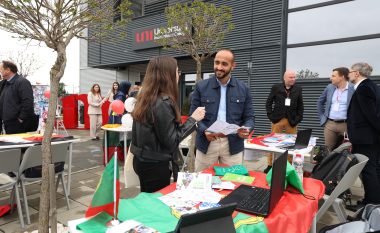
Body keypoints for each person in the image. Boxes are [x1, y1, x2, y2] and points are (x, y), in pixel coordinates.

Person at [130, 56, 205, 193]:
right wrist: (193, 119)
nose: (178, 75)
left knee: (148, 199)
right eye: (177, 71)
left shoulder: (145, 98)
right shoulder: (163, 102)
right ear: (168, 75)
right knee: (156, 205)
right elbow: (171, 141)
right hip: (155, 166)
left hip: (142, 161)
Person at [189, 49, 254, 172]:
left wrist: (247, 129)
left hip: (233, 144)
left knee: (233, 183)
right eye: (216, 62)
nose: (219, 67)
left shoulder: (244, 89)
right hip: (207, 143)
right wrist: (204, 131)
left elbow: (250, 117)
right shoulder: (201, 87)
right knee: (202, 183)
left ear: (233, 66)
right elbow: (193, 117)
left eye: (224, 64)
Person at [347, 62, 380, 205]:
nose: (348, 74)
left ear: (357, 73)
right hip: (371, 137)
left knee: (368, 170)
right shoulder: (372, 86)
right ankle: (375, 199)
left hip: (366, 139)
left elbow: (371, 115)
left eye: (350, 71)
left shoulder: (363, 89)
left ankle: (371, 202)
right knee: (374, 168)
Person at [264, 69, 303, 172]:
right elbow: (268, 102)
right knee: (273, 143)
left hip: (292, 121)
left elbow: (300, 105)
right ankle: (270, 164)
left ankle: (289, 165)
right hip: (277, 120)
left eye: (294, 77)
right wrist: (271, 116)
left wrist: (298, 118)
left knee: (292, 144)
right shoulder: (276, 87)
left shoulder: (298, 89)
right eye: (291, 77)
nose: (293, 79)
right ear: (284, 78)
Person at [317, 67, 354, 152]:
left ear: (342, 77)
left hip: (346, 125)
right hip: (330, 124)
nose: (331, 78)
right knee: (328, 150)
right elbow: (320, 102)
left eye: (333, 76)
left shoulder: (353, 88)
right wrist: (322, 117)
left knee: (348, 151)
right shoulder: (330, 87)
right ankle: (327, 165)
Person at [0, 60, 34, 134]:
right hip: (7, 123)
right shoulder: (4, 83)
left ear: (8, 70)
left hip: (17, 124)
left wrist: (21, 118)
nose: (0, 71)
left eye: (1, 69)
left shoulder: (22, 82)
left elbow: (28, 101)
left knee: (18, 145)